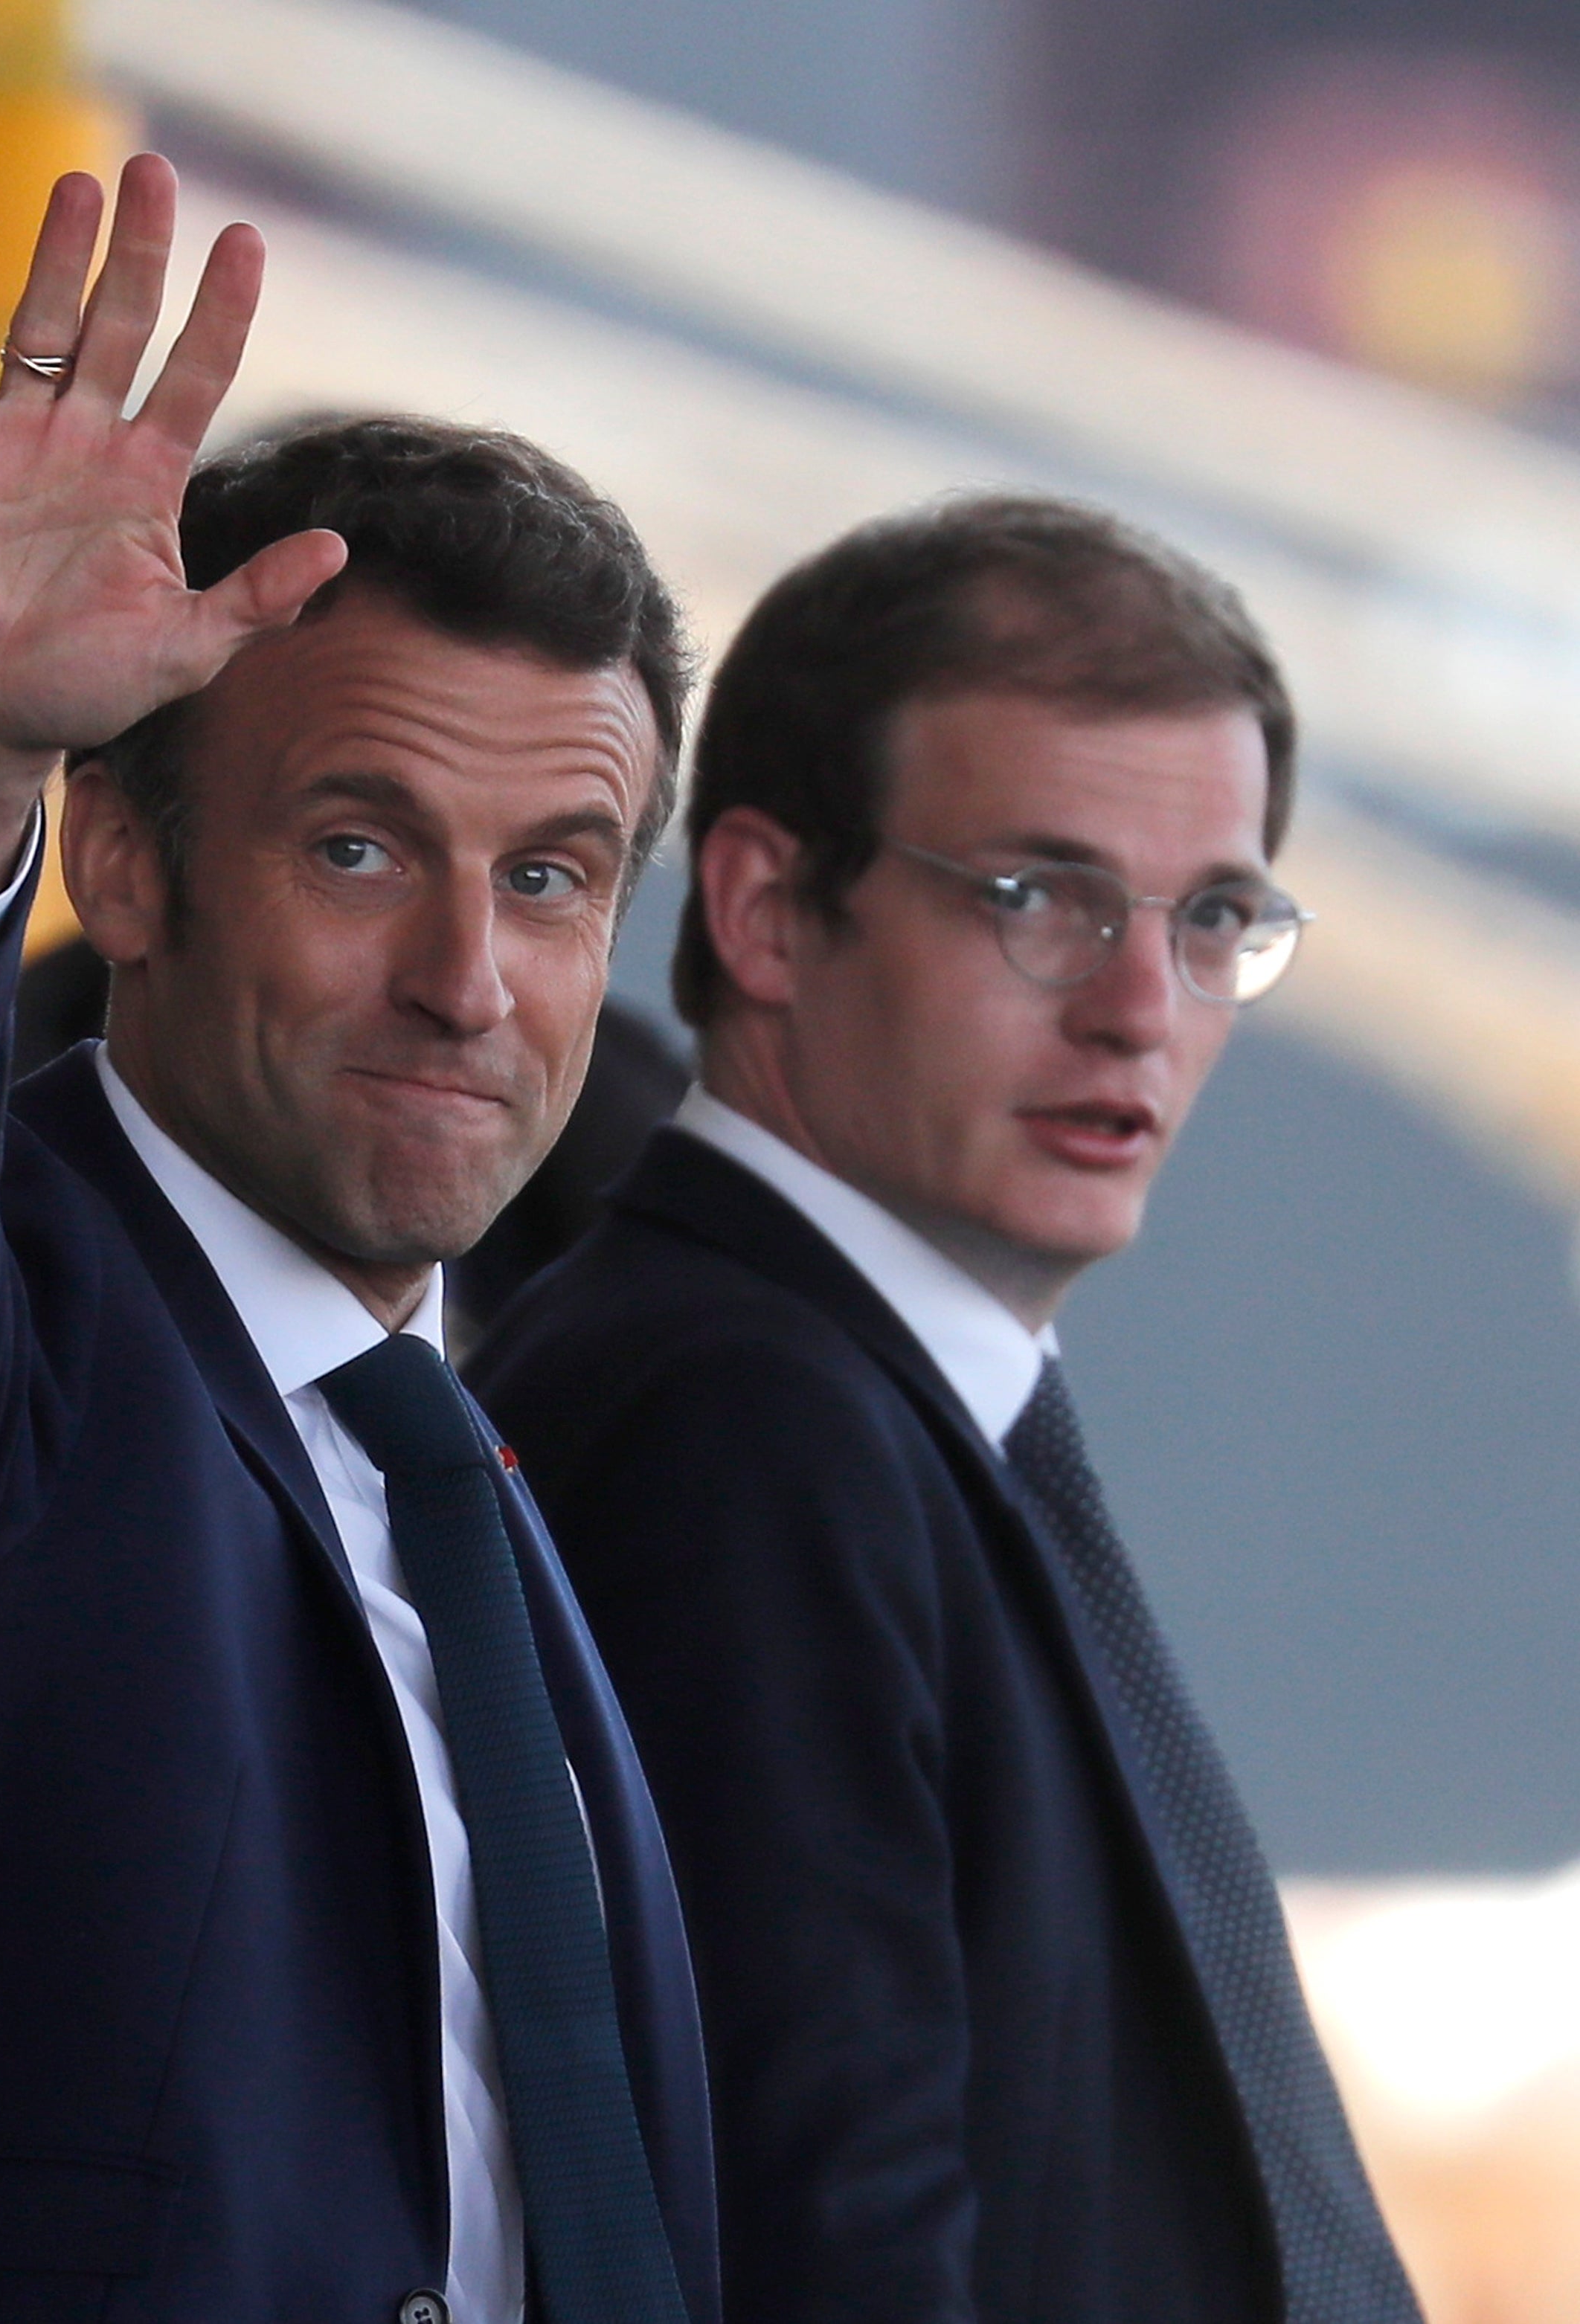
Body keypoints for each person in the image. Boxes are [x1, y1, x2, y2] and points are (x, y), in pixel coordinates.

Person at [0, 155, 715, 2323]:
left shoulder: (455, 1472)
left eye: (560, 875)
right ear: (114, 865)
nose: (470, 977)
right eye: (360, 843)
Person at [469, 496, 1422, 2324]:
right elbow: (822, 2236)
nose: (1140, 1007)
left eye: (1212, 915)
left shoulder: (860, 1401)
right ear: (761, 907)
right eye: (1038, 899)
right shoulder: (735, 1428)